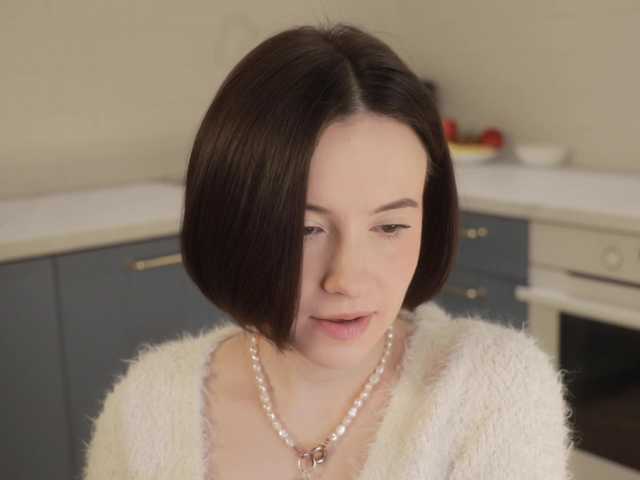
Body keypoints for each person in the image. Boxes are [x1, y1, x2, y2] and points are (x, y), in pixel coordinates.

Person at [82, 22, 575, 480]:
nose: (347, 279)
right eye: (306, 230)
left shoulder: (494, 390)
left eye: (390, 226)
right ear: (233, 221)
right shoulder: (144, 410)